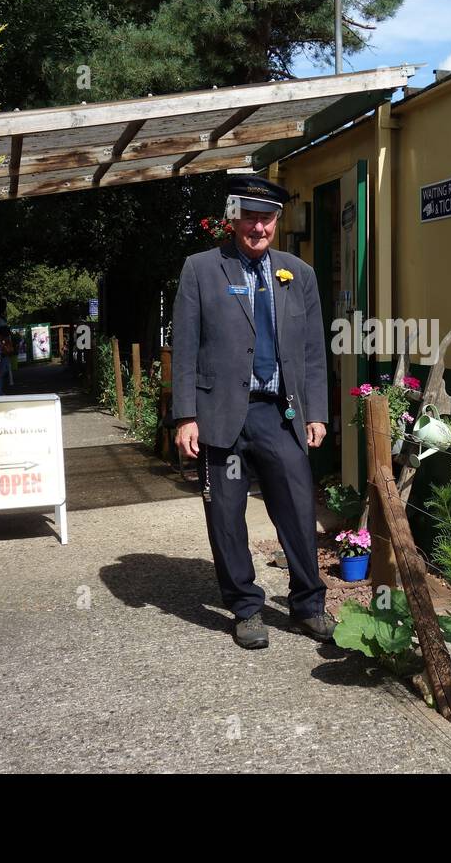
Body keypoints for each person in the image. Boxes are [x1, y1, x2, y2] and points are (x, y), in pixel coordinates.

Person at [172, 174, 332, 650]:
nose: (258, 227)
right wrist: (186, 416)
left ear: (277, 222)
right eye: (250, 217)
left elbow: (312, 352)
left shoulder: (298, 275)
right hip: (219, 414)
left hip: (277, 413)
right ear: (233, 218)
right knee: (225, 514)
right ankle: (244, 607)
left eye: (267, 218)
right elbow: (184, 347)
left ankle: (309, 604)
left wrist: (315, 412)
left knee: (298, 509)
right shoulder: (201, 269)